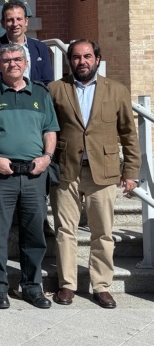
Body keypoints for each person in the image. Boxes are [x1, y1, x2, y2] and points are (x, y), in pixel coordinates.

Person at [49, 40, 141, 309]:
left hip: (104, 169)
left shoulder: (117, 90)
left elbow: (128, 134)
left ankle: (101, 285)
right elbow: (48, 129)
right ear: (69, 62)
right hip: (66, 168)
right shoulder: (56, 89)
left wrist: (131, 171)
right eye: (76, 57)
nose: (82, 62)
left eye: (87, 56)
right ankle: (67, 284)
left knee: (102, 231)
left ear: (98, 59)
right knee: (65, 229)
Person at [0, 44, 59, 310]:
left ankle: (32, 287)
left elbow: (50, 129)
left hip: (34, 176)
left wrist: (46, 158)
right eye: (6, 60)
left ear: (26, 63)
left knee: (34, 235)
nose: (12, 64)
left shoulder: (41, 94)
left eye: (17, 59)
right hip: (1, 175)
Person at [0, 1, 54, 84]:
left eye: (19, 19)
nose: (15, 24)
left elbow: (47, 81)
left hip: (36, 96)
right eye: (10, 20)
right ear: (3, 23)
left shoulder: (40, 47)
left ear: (26, 21)